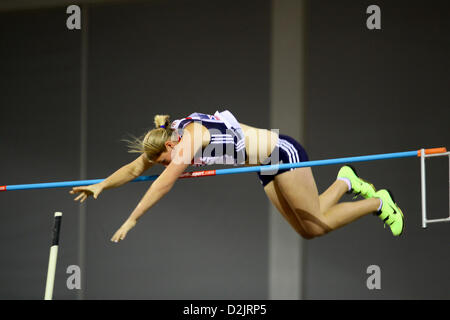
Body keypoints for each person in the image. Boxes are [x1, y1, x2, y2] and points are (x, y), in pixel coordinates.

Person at [69, 110, 404, 242]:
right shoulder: (169, 137)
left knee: (318, 221)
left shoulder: (192, 137)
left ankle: (378, 202)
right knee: (309, 230)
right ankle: (346, 181)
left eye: (165, 158)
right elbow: (134, 168)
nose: (164, 163)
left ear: (172, 144)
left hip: (280, 152)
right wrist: (101, 185)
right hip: (263, 165)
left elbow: (163, 184)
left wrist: (132, 220)